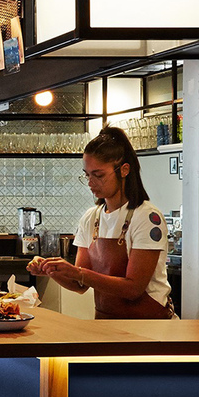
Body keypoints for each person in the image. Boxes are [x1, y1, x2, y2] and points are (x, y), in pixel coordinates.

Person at [27, 126, 175, 319]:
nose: (90, 182)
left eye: (98, 175)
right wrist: (52, 270)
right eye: (87, 175)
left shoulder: (146, 217)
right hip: (106, 324)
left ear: (124, 170)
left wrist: (78, 272)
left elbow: (133, 288)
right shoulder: (91, 217)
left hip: (149, 327)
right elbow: (79, 285)